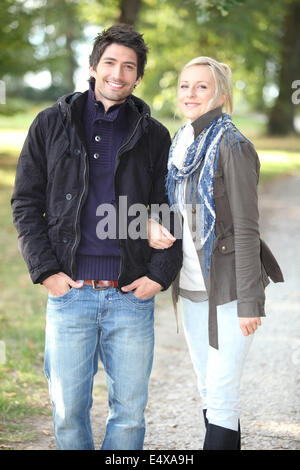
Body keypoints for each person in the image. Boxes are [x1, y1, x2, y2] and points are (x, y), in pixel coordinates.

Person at [11, 24, 182, 450]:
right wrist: (47, 271)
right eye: (110, 63)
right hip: (70, 294)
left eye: (129, 67)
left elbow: (169, 207)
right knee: (67, 412)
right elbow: (26, 203)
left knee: (127, 417)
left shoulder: (155, 134)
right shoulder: (51, 123)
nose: (118, 74)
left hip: (130, 295)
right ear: (93, 66)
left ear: (139, 76)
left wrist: (160, 276)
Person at [148, 56, 283, 450]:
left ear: (221, 94)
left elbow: (245, 227)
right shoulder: (180, 144)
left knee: (222, 400)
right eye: (185, 85)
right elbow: (172, 211)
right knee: (210, 393)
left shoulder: (233, 145)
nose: (190, 93)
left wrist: (250, 303)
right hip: (190, 288)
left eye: (201, 86)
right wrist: (151, 227)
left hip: (228, 293)